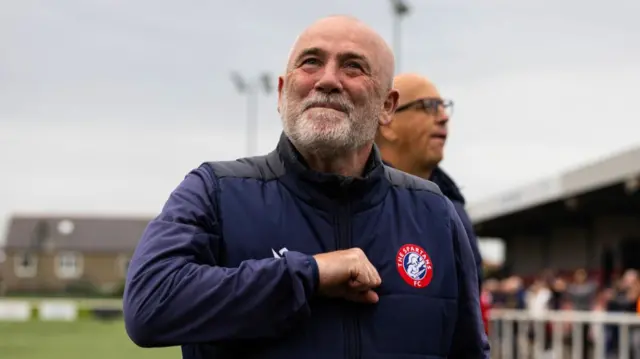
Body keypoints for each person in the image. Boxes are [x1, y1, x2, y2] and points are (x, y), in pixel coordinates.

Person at [123, 15, 489, 359]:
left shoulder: (434, 213)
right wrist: (309, 274)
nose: (328, 80)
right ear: (282, 93)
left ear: (387, 106)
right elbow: (148, 304)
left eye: (353, 66)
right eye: (311, 62)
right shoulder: (216, 191)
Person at [375, 73, 484, 292]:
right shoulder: (356, 202)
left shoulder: (453, 207)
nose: (444, 117)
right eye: (430, 106)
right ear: (387, 121)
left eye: (444, 106)